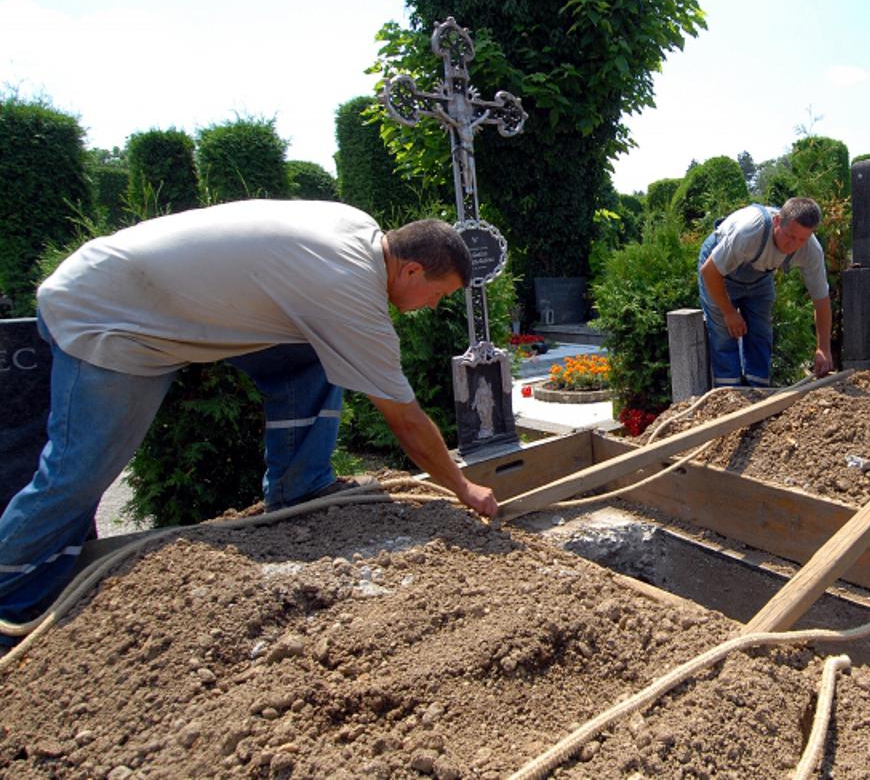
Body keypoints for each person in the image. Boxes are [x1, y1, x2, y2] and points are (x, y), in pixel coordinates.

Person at [0, 199, 498, 626]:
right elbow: (406, 421)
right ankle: (9, 602)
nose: (434, 306)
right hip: (107, 316)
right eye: (439, 294)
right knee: (76, 475)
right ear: (411, 270)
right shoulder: (348, 288)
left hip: (125, 286)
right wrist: (463, 487)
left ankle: (298, 488)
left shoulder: (356, 230)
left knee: (314, 352)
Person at [698, 197, 832, 387]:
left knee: (760, 332)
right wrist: (728, 312)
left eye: (802, 239)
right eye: (790, 236)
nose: (793, 245)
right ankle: (729, 395)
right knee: (724, 336)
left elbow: (821, 299)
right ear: (777, 221)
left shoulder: (811, 250)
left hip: (760, 275)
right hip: (719, 270)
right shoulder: (749, 232)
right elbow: (709, 272)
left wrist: (823, 348)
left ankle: (759, 391)